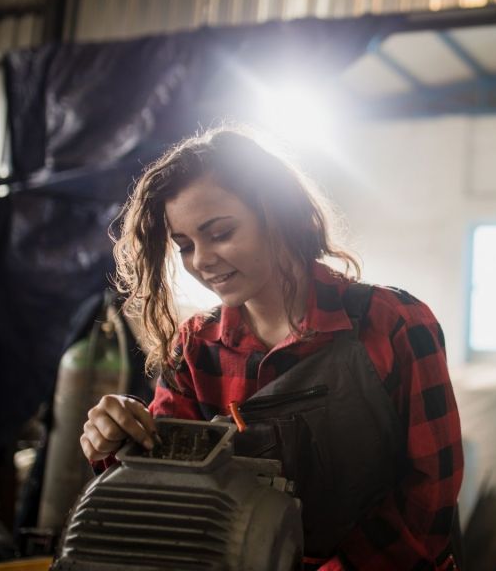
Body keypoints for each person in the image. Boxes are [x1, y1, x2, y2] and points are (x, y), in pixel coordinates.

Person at [79, 126, 463, 571]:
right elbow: (167, 494)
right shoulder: (195, 348)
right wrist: (118, 440)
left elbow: (429, 502)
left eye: (220, 232)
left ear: (278, 213)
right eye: (184, 246)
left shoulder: (394, 323)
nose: (201, 260)